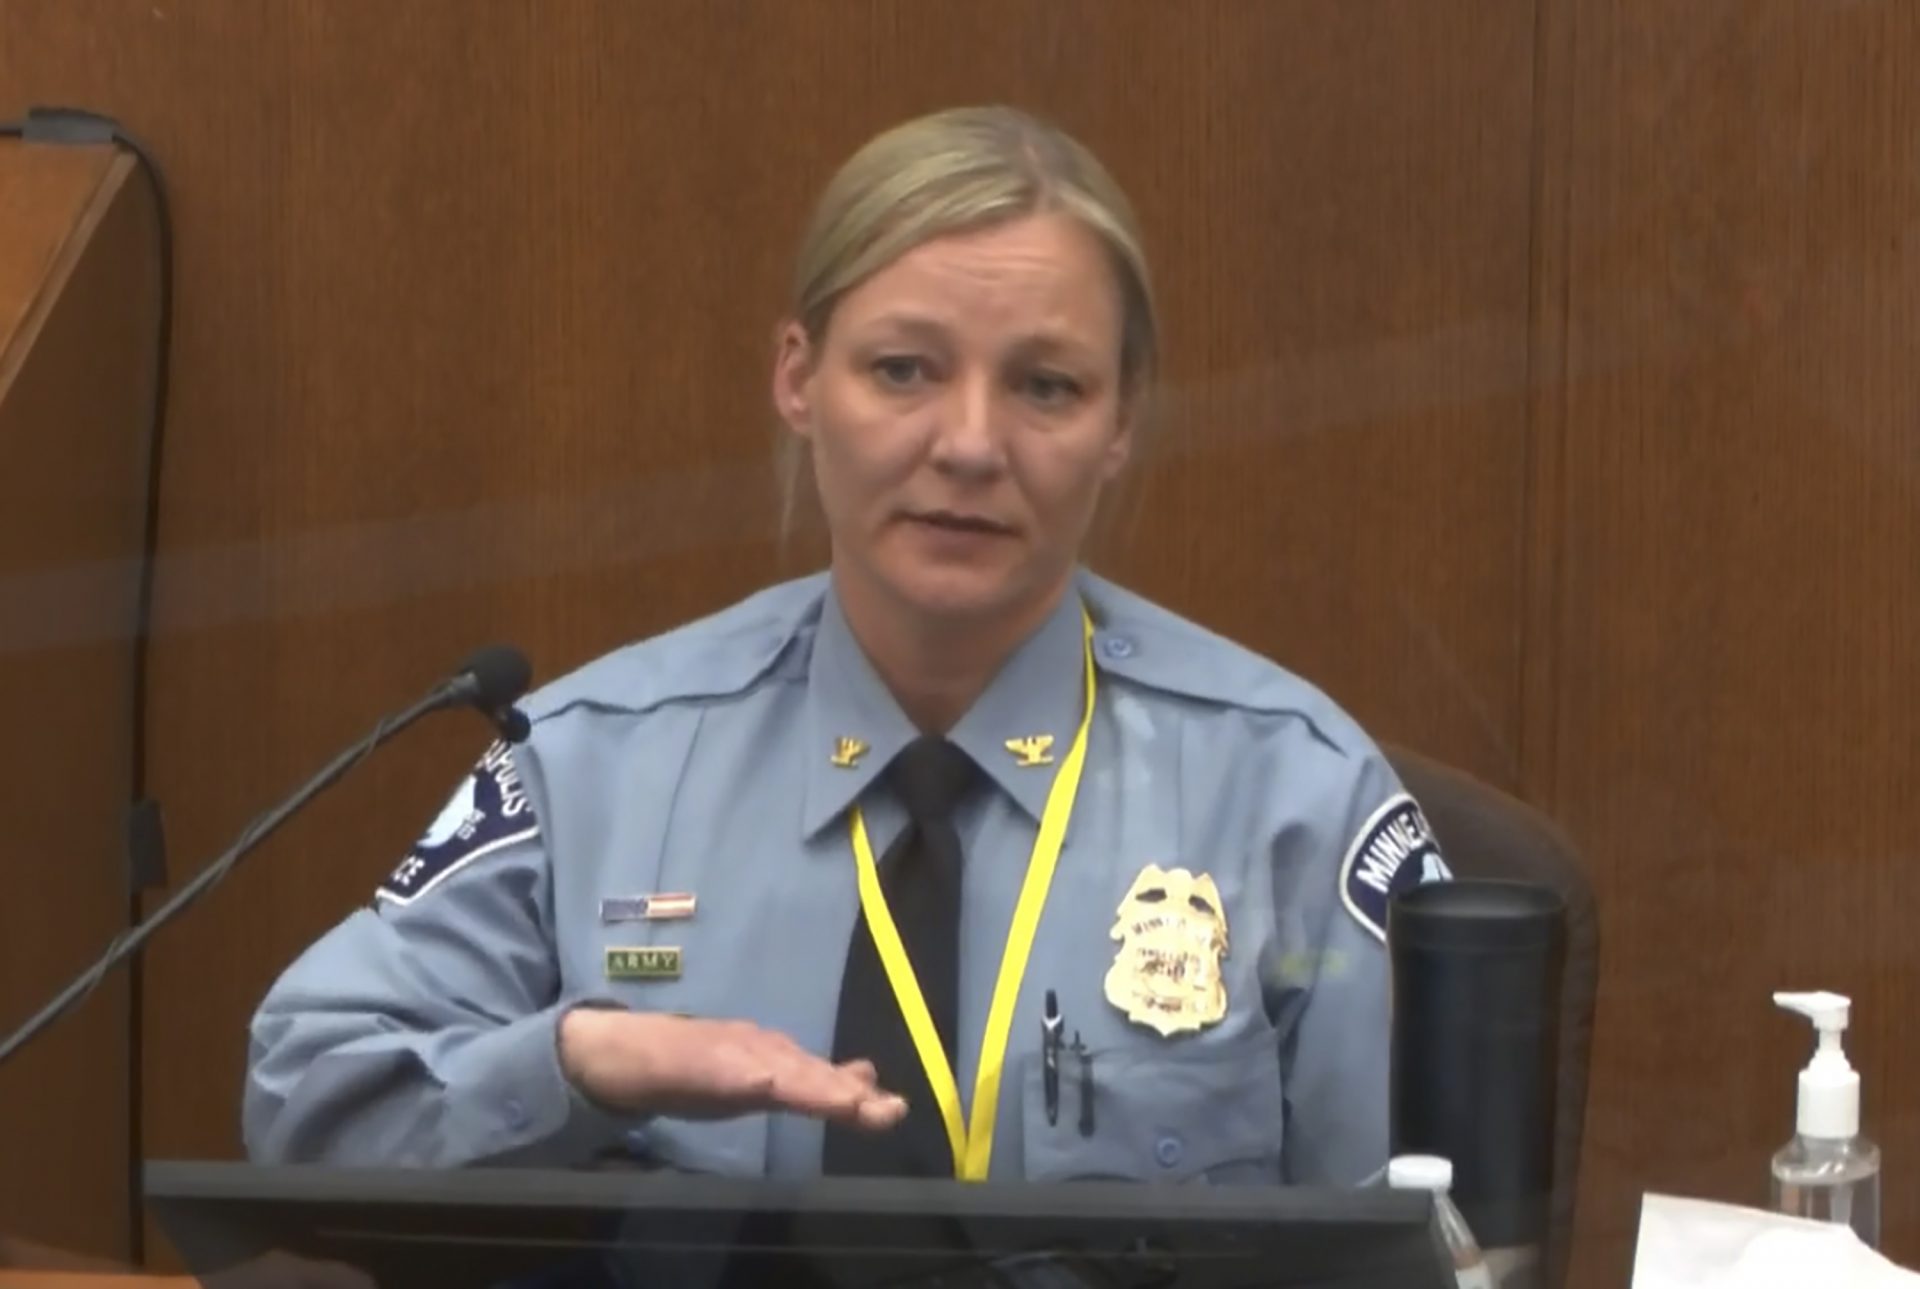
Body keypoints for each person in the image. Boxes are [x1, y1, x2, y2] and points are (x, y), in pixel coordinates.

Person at [243, 104, 1450, 1187]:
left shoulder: (1290, 790)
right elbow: (305, 1090)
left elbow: (1448, 1238)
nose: (971, 444)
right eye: (904, 369)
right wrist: (580, 1060)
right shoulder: (598, 763)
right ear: (800, 378)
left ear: (1121, 420)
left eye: (1045, 386)